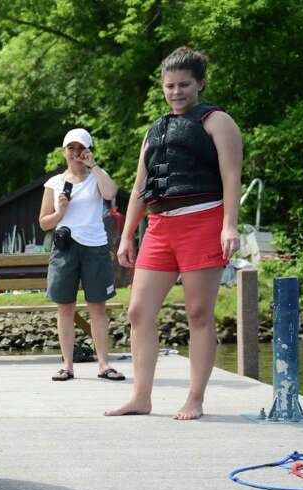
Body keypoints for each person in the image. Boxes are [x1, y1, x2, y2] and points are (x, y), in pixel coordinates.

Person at [106, 47, 242, 420]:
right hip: (160, 227)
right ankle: (141, 396)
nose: (176, 91)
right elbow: (139, 186)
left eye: (184, 84)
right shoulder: (155, 130)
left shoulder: (217, 121)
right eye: (170, 86)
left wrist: (230, 224)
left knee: (199, 312)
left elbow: (232, 176)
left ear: (200, 84)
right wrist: (126, 234)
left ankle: (194, 398)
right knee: (138, 311)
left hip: (203, 221)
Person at [38, 128, 123, 382]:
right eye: (71, 148)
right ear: (64, 151)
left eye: (81, 148)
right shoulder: (53, 183)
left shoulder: (98, 176)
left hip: (95, 247)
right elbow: (44, 223)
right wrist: (60, 212)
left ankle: (104, 364)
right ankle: (67, 365)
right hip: (65, 249)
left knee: (97, 306)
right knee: (65, 307)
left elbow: (110, 194)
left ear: (89, 150)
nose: (76, 153)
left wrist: (94, 166)